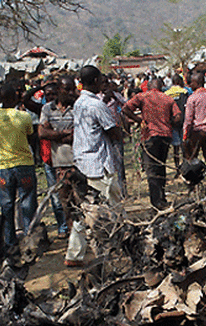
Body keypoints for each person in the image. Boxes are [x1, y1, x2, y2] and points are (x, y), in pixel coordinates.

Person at [66, 65, 122, 267]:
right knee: (110, 207)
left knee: (85, 208)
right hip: (99, 164)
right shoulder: (96, 105)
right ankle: (114, 248)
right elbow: (114, 131)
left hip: (82, 161)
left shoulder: (79, 103)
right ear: (96, 81)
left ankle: (74, 253)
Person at [0, 82, 39, 256]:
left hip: (5, 167)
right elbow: (31, 136)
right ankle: (29, 240)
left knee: (7, 206)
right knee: (28, 204)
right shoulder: (23, 117)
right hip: (24, 164)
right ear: (13, 97)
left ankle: (9, 242)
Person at [124, 77, 181, 210]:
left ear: (149, 86)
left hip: (150, 135)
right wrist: (169, 122)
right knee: (161, 167)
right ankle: (162, 198)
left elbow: (126, 108)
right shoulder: (168, 99)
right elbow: (178, 116)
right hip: (165, 136)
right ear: (161, 86)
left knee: (151, 169)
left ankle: (156, 202)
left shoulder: (142, 97)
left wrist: (138, 120)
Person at [39, 76, 77, 238]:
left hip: (78, 162)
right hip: (59, 163)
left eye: (72, 89)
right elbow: (42, 133)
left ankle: (80, 232)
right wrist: (63, 134)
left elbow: (78, 135)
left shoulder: (78, 107)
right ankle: (69, 230)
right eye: (67, 89)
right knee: (64, 200)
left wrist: (54, 134)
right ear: (59, 90)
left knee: (80, 200)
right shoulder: (48, 109)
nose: (70, 93)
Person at [183, 72, 206, 174]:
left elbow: (188, 120)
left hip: (197, 133)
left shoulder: (192, 98)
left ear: (197, 83)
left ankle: (194, 184)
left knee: (192, 159)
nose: (190, 85)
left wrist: (185, 136)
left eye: (192, 82)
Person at [165, 74, 189, 169]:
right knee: (184, 145)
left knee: (175, 147)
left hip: (172, 123)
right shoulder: (184, 92)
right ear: (179, 82)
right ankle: (185, 165)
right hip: (183, 122)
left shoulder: (167, 93)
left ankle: (177, 167)